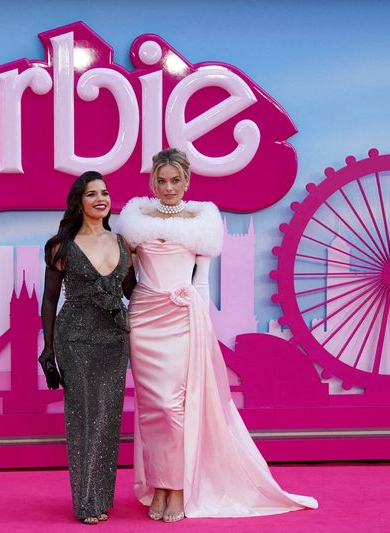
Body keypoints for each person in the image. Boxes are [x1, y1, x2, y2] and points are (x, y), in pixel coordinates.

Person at [117, 148, 318, 522]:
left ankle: (176, 489)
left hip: (181, 318)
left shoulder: (203, 221)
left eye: (175, 180)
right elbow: (128, 277)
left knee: (174, 407)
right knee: (152, 410)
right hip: (143, 317)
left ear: (187, 181)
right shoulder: (134, 220)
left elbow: (202, 283)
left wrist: (202, 325)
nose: (168, 187)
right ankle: (158, 486)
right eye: (161, 181)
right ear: (152, 183)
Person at [39, 171, 133, 525]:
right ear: (79, 200)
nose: (100, 199)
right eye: (92, 193)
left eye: (105, 193)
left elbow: (132, 293)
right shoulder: (60, 245)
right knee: (83, 416)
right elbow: (49, 300)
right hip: (75, 337)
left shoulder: (123, 242)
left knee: (108, 417)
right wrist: (48, 350)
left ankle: (100, 497)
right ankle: (85, 502)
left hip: (114, 338)